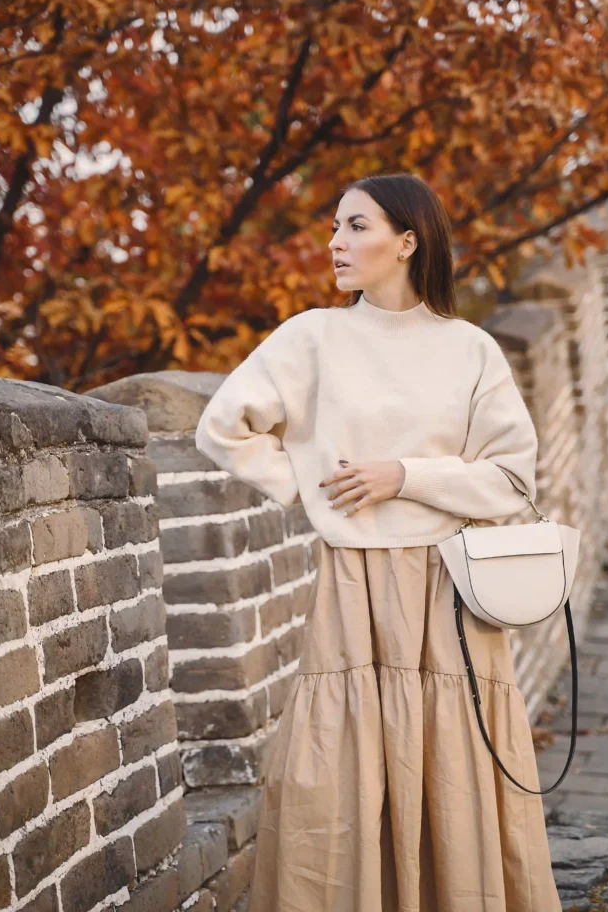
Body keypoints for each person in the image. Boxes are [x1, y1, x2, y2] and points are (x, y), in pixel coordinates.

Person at [194, 173, 562, 912]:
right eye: (335, 226)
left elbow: (513, 481)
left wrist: (404, 476)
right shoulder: (312, 337)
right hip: (353, 589)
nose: (335, 242)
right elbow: (220, 427)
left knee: (453, 777)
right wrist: (310, 485)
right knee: (337, 779)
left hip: (451, 594)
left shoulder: (470, 351)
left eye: (355, 226)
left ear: (407, 240)